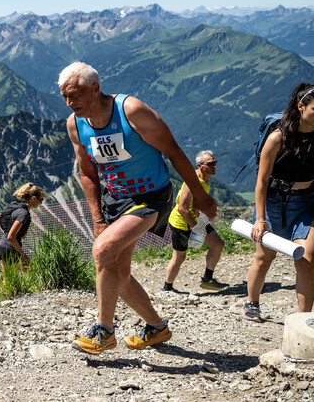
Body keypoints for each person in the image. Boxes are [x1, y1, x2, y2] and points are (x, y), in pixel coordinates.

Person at [58, 62, 217, 354]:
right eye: (65, 97)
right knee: (119, 272)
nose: (70, 103)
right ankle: (157, 328)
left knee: (102, 251)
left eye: (76, 94)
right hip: (115, 200)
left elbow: (173, 151)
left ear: (96, 88)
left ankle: (104, 331)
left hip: (151, 198)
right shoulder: (75, 124)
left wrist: (200, 195)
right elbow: (87, 172)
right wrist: (97, 217)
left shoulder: (131, 111)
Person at [244, 83, 314, 321]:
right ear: (300, 106)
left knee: (306, 260)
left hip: (307, 204)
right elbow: (262, 180)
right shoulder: (277, 138)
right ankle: (252, 302)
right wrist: (260, 218)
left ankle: (302, 320)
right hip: (274, 204)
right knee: (265, 258)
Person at [162, 150, 226, 292]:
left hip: (196, 220)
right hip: (181, 223)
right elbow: (182, 209)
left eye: (215, 163)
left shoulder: (206, 179)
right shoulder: (192, 182)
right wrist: (198, 229)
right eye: (210, 164)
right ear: (199, 165)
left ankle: (208, 279)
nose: (214, 166)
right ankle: (167, 287)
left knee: (218, 244)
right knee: (180, 256)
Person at [0, 183, 45, 267]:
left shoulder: (18, 208)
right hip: (9, 249)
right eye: (41, 199)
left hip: (3, 246)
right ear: (34, 198)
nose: (41, 202)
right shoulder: (24, 213)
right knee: (32, 271)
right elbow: (11, 237)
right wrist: (23, 255)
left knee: (6, 278)